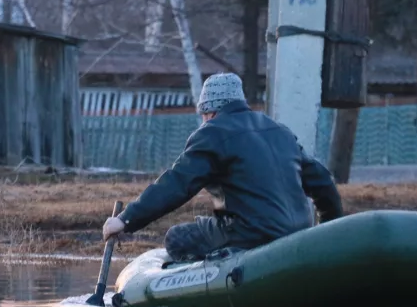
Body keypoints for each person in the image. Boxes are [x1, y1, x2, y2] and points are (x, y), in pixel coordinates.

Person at [102, 72, 345, 262]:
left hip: (251, 234)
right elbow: (323, 181)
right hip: (300, 230)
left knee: (177, 237)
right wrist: (326, 230)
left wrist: (127, 219)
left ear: (209, 111)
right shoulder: (279, 130)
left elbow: (176, 184)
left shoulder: (213, 133)